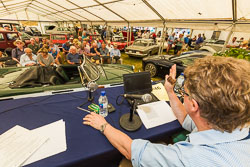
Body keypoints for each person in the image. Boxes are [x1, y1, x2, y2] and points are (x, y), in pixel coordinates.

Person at [83, 56, 250, 167]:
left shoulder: (189, 159)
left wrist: (103, 125)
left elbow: (130, 150)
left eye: (184, 93)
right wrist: (170, 91)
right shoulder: (230, 124)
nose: (182, 96)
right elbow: (185, 119)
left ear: (193, 105)